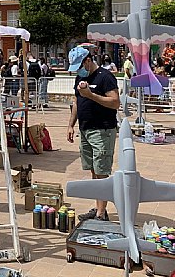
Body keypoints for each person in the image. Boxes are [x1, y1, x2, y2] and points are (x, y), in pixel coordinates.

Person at [66, 46, 119, 222]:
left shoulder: (105, 77)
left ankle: (101, 214)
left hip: (102, 130)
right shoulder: (80, 76)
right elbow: (76, 102)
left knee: (101, 172)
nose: (78, 70)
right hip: (85, 129)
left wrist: (90, 95)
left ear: (88, 61)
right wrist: (71, 125)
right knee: (94, 171)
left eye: (79, 65)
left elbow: (114, 102)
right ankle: (98, 208)